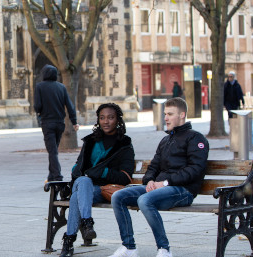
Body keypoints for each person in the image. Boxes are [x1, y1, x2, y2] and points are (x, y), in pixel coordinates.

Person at [108, 97, 209, 257]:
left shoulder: (196, 138)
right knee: (118, 196)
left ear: (182, 115)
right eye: (165, 114)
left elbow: (195, 169)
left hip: (183, 191)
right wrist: (149, 182)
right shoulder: (165, 140)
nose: (166, 118)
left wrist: (166, 183)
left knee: (144, 200)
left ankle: (164, 249)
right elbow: (153, 166)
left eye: (170, 114)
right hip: (161, 188)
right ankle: (129, 248)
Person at [59, 103, 136, 257]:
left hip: (102, 189)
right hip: (81, 184)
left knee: (76, 197)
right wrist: (77, 168)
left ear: (118, 120)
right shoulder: (90, 141)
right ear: (98, 120)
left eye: (110, 118)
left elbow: (125, 177)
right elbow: (77, 166)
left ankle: (69, 241)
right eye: (102, 118)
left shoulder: (124, 145)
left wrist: (104, 172)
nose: (106, 121)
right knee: (84, 182)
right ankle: (87, 222)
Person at [34, 64, 79, 182]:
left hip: (47, 122)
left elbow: (37, 106)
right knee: (53, 150)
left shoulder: (40, 87)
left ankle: (58, 176)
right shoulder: (61, 87)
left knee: (52, 151)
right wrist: (74, 122)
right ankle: (51, 176)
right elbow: (70, 106)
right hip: (60, 123)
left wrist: (39, 114)